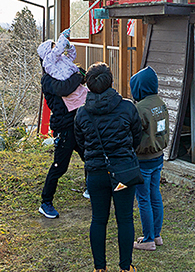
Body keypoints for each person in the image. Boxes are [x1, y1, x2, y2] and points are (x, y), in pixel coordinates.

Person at [74, 62, 142, 272]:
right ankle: (125, 267)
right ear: (111, 82)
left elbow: (81, 143)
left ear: (89, 85)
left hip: (96, 173)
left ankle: (99, 268)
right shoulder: (127, 107)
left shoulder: (82, 114)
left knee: (98, 220)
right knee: (125, 220)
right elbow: (136, 137)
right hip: (122, 173)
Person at [37, 28, 89, 218]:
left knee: (88, 156)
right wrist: (78, 76)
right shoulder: (48, 80)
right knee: (60, 166)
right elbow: (66, 88)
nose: (57, 51)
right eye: (53, 49)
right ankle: (46, 202)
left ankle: (89, 188)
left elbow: (79, 74)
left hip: (78, 121)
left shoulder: (64, 68)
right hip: (64, 126)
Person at [130, 66, 170, 251]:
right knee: (155, 195)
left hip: (143, 159)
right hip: (158, 157)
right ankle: (156, 235)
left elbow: (134, 134)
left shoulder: (140, 108)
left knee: (143, 198)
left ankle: (147, 240)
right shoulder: (160, 103)